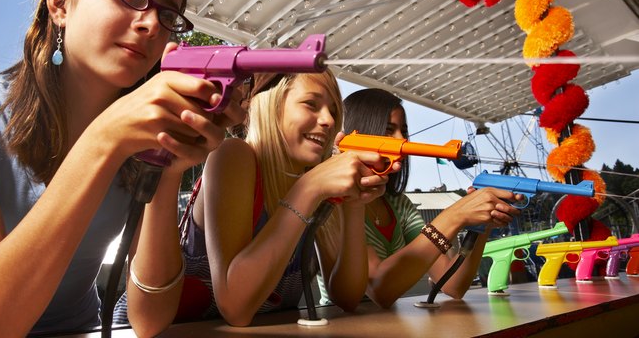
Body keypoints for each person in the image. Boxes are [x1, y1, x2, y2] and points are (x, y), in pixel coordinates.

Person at [0, 0, 244, 337]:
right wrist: (103, 140)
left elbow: (150, 320)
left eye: (169, 14)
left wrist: (167, 170)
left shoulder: (145, 131)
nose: (152, 23)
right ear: (60, 3)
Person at [172, 71, 391, 326]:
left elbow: (348, 297)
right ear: (271, 105)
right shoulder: (234, 155)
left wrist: (355, 203)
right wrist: (309, 188)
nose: (329, 120)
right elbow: (235, 307)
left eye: (333, 110)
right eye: (311, 104)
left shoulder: (316, 181)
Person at [318, 88, 521, 308]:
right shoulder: (333, 203)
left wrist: (483, 221)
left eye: (403, 131)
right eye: (389, 130)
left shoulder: (398, 205)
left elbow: (453, 285)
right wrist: (454, 216)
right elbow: (378, 288)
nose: (401, 139)